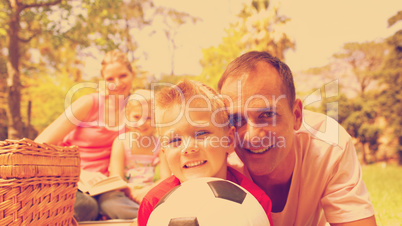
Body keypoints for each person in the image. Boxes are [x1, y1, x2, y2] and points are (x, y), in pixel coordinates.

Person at [218, 51, 376, 225]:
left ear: (296, 115)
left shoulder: (329, 145)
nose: (252, 135)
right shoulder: (217, 156)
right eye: (236, 119)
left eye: (267, 115)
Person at [137, 80, 273, 226]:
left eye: (201, 133)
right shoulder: (153, 204)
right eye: (174, 140)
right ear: (164, 152)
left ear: (228, 140)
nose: (188, 148)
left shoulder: (255, 202)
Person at [34, 50, 134, 221]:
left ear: (132, 75)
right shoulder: (89, 103)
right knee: (86, 207)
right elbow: (40, 144)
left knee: (118, 207)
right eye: (110, 79)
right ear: (103, 80)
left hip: (105, 186)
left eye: (123, 75)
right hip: (71, 178)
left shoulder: (136, 111)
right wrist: (79, 173)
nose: (117, 83)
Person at [99, 89, 170, 219]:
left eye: (148, 118)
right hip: (125, 194)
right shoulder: (121, 142)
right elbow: (117, 178)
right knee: (108, 203)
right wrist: (132, 192)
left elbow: (166, 178)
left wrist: (146, 192)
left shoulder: (160, 144)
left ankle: (147, 215)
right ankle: (150, 217)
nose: (142, 122)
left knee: (169, 196)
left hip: (150, 194)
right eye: (137, 117)